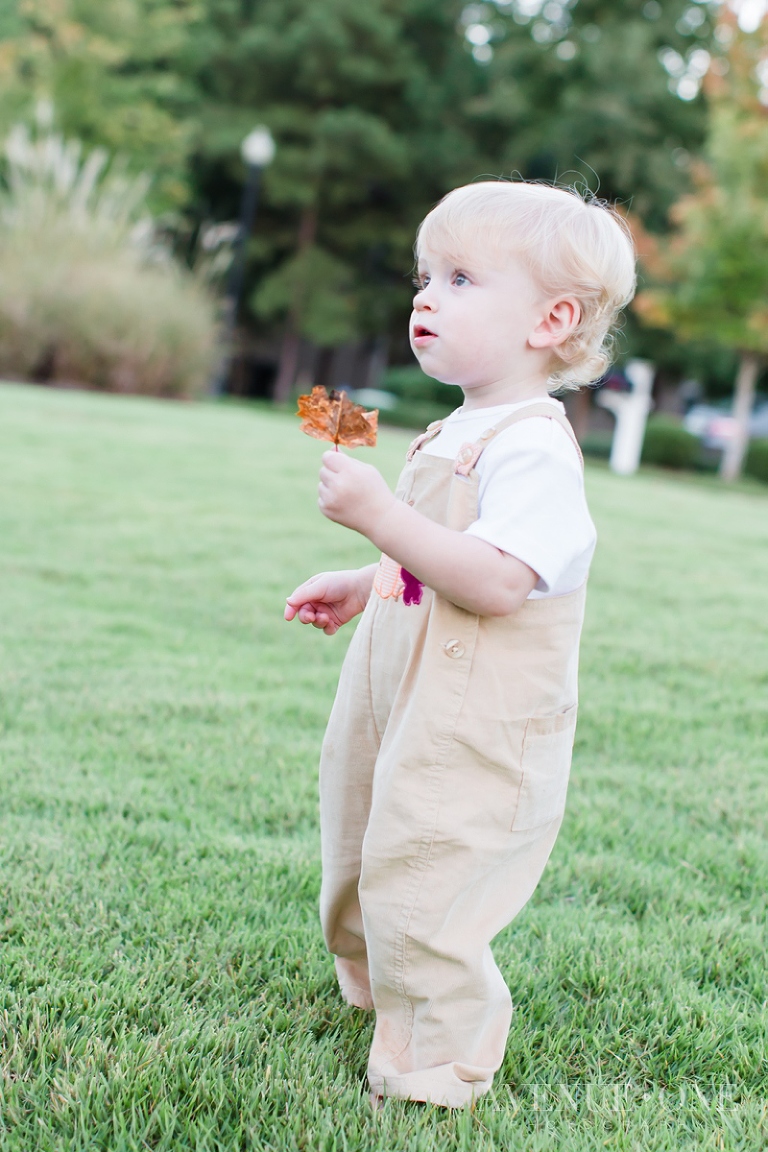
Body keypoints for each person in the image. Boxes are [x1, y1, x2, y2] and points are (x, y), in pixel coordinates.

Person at [284, 181, 637, 1107]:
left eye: (461, 277)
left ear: (550, 319)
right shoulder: (456, 427)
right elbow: (437, 559)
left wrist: (376, 520)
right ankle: (378, 992)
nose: (425, 297)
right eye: (423, 275)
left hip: (474, 718)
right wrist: (365, 585)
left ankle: (438, 1059)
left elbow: (494, 580)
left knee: (429, 864)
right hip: (400, 689)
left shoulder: (535, 452)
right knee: (361, 836)